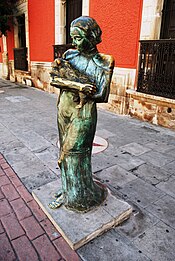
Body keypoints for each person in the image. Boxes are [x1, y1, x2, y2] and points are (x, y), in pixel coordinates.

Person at [49, 16, 114, 212]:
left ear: (92, 36)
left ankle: (82, 196)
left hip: (83, 114)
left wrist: (73, 84)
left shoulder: (104, 61)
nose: (74, 43)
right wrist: (79, 85)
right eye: (72, 38)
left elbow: (102, 94)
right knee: (64, 153)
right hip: (63, 110)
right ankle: (68, 189)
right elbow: (54, 79)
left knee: (73, 154)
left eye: (78, 38)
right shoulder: (69, 55)